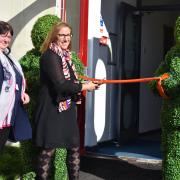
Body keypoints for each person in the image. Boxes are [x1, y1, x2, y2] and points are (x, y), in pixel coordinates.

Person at [34, 21, 100, 180]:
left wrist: (87, 85)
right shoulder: (50, 56)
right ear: (54, 36)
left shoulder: (66, 56)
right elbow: (60, 85)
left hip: (65, 109)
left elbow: (71, 82)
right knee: (48, 151)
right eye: (61, 35)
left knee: (74, 148)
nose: (65, 39)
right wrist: (84, 87)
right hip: (52, 109)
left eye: (68, 35)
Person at [0, 21, 32, 150]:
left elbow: (16, 82)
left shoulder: (8, 57)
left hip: (7, 114)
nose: (6, 39)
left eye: (9, 36)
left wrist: (22, 93)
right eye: (3, 35)